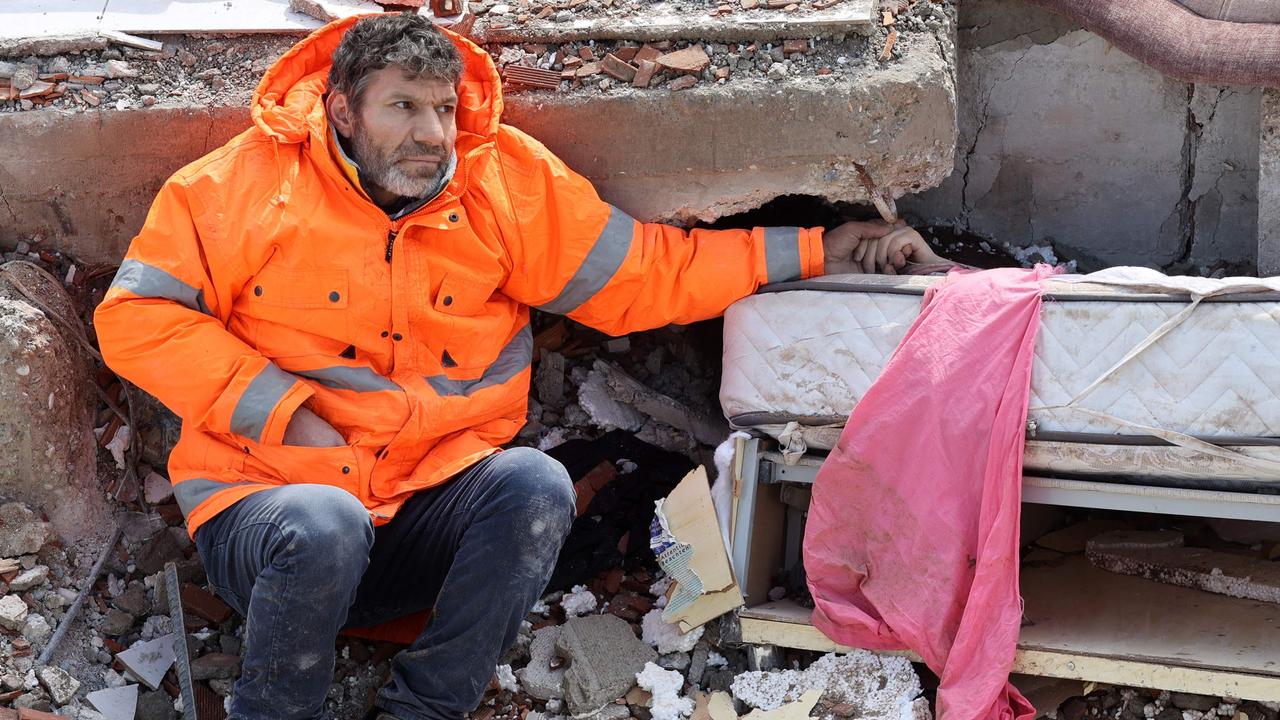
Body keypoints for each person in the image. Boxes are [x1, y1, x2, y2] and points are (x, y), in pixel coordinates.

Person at [94, 12, 946, 720]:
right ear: (342, 112)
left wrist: (817, 247)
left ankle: (425, 708)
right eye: (403, 109)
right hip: (276, 527)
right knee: (324, 522)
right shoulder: (235, 188)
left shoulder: (502, 185)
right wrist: (279, 408)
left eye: (443, 109)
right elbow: (134, 319)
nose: (432, 135)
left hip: (423, 514)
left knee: (537, 486)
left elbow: (647, 275)